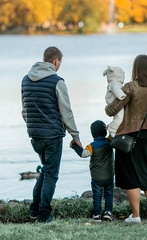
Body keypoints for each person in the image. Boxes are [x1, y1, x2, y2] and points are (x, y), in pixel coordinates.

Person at [21, 46, 82, 223]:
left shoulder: (25, 80)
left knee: (46, 171)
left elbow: (25, 111)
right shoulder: (57, 81)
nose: (59, 65)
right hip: (52, 136)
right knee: (51, 175)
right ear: (56, 61)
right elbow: (66, 112)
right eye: (60, 62)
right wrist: (75, 136)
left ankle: (34, 210)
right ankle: (44, 215)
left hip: (34, 135)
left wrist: (34, 126)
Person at [105, 54, 147, 224]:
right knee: (146, 173)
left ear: (135, 69)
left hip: (127, 137)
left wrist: (107, 104)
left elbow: (112, 110)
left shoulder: (131, 87)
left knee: (130, 176)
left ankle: (136, 216)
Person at [71, 120, 114, 222]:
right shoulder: (110, 141)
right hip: (109, 175)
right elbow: (114, 132)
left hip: (96, 177)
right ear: (105, 132)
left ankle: (97, 215)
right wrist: (109, 128)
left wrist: (74, 146)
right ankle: (108, 212)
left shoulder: (91, 146)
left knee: (97, 195)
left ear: (92, 133)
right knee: (109, 193)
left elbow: (83, 154)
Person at [103, 66, 126, 137]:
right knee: (120, 117)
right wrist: (122, 96)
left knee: (118, 117)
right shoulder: (114, 83)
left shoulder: (116, 83)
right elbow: (117, 90)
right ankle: (112, 129)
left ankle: (114, 128)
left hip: (115, 103)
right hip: (114, 103)